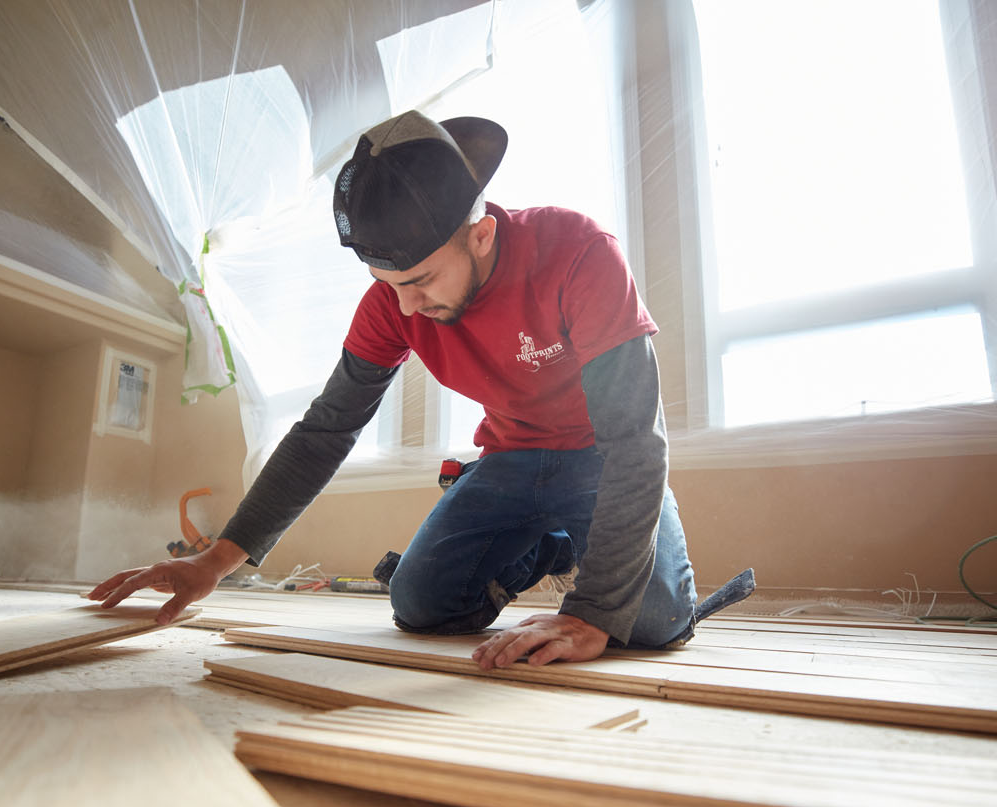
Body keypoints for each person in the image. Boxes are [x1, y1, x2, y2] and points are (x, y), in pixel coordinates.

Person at [90, 110, 752, 669]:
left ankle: (587, 552)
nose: (405, 308)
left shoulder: (578, 252)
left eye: (421, 281)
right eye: (388, 285)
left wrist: (593, 610)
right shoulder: (393, 303)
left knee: (653, 619)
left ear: (482, 235)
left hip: (601, 459)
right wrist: (216, 560)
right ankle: (550, 545)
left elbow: (635, 440)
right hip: (509, 460)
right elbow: (325, 430)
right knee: (421, 603)